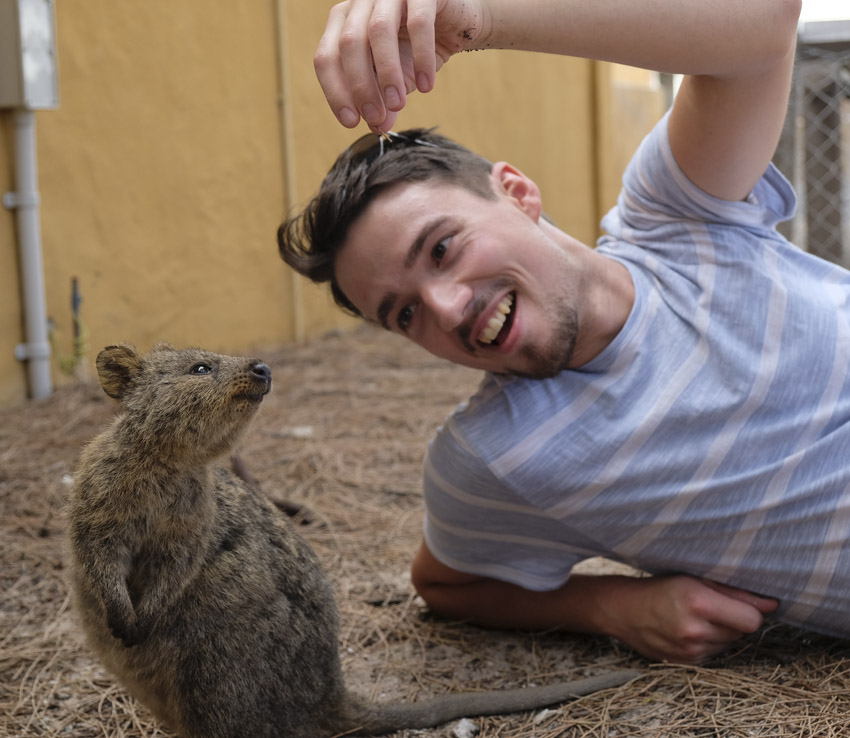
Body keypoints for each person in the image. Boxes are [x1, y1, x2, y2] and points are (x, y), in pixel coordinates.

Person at [277, 0, 850, 665]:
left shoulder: (677, 215)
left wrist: (477, 16)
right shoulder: (496, 458)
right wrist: (611, 605)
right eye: (404, 314)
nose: (447, 308)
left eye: (442, 249)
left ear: (517, 192)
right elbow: (445, 585)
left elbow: (764, 22)